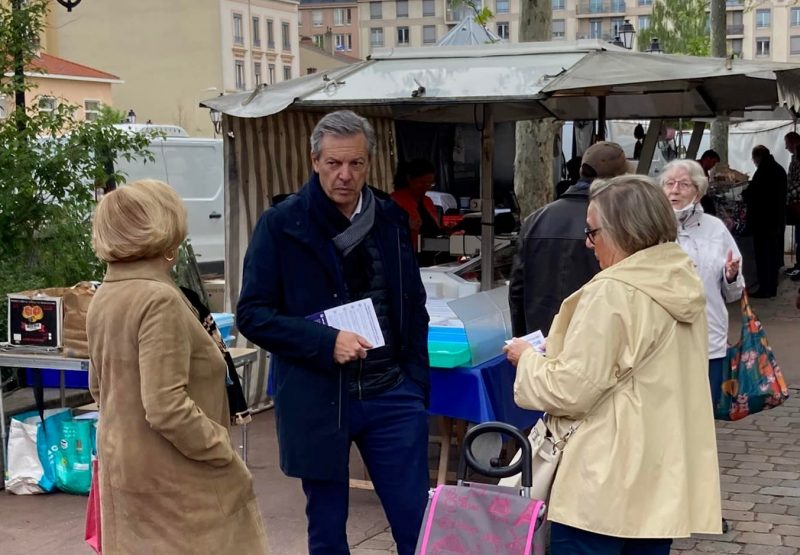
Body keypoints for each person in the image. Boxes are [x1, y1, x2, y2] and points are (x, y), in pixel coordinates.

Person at [237, 110, 430, 555]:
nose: (345, 175)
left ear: (368, 164)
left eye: (356, 164)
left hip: (390, 393)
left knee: (415, 523)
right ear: (314, 161)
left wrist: (415, 384)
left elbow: (412, 305)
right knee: (326, 532)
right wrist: (327, 343)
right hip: (318, 396)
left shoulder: (389, 217)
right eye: (333, 164)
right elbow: (252, 314)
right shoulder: (282, 224)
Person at [505, 175, 722, 555]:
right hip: (658, 476)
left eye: (592, 232)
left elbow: (570, 389)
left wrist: (527, 360)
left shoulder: (613, 291)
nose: (589, 243)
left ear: (624, 230)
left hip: (602, 480)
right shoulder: (680, 278)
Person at [87, 180, 268, 554]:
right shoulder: (157, 299)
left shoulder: (106, 294)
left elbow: (98, 387)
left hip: (129, 476)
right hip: (179, 488)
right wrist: (220, 449)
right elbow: (166, 407)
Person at [509, 141, 627, 338]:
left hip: (541, 341)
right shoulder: (618, 223)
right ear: (618, 178)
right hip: (594, 340)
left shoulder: (534, 220)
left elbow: (517, 290)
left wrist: (524, 340)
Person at [659, 159, 744, 408]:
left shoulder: (715, 229)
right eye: (669, 183)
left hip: (709, 338)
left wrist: (731, 276)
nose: (674, 189)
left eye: (683, 184)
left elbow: (734, 293)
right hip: (663, 340)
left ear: (698, 192)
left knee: (704, 411)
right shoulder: (652, 229)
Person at [742, 145, 787, 298]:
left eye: (754, 158)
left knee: (764, 255)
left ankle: (765, 288)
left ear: (757, 157)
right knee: (773, 254)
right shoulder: (778, 169)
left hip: (764, 221)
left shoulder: (763, 171)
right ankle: (771, 286)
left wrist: (744, 194)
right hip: (776, 219)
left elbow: (753, 193)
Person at [391, 157, 441, 249]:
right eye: (422, 183)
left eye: (430, 184)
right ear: (409, 178)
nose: (427, 187)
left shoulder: (428, 201)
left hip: (433, 252)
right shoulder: (394, 201)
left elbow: (435, 231)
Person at [783, 131, 800, 279]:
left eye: (787, 143)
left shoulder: (798, 158)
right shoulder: (795, 157)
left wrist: (787, 194)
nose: (785, 147)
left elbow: (798, 183)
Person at [697, 149, 721, 216]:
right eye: (713, 162)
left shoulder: (705, 171)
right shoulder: (695, 167)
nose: (713, 165)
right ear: (707, 159)